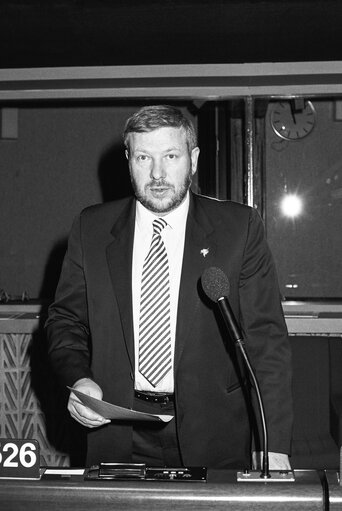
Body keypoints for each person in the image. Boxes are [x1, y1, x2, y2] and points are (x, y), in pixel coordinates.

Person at [46, 105, 293, 470]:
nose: (157, 173)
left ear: (192, 160)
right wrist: (79, 379)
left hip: (215, 428)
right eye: (144, 157)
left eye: (171, 156)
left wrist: (273, 444)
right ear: (128, 160)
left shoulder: (238, 229)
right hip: (117, 427)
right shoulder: (91, 228)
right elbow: (65, 320)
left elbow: (265, 339)